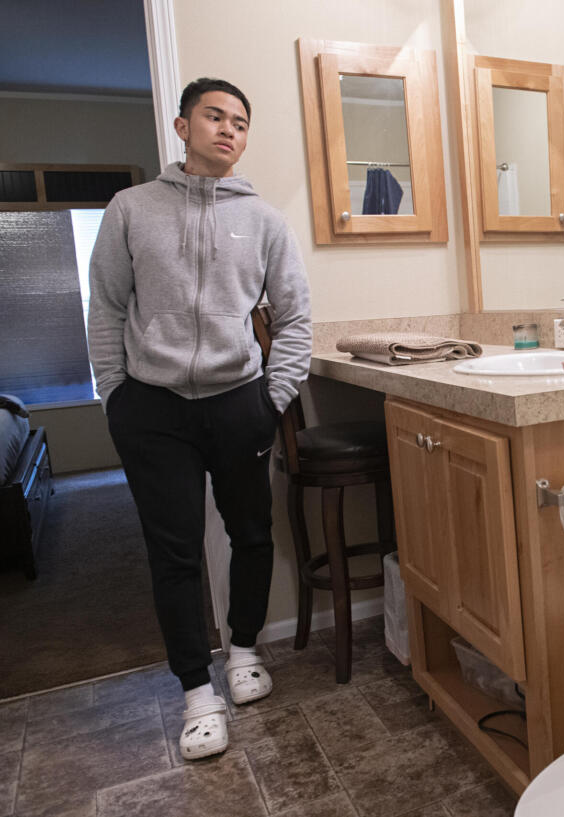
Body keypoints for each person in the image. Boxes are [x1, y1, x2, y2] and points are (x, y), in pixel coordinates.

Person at [87, 77, 311, 760]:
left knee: (250, 532)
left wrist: (273, 398)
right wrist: (115, 396)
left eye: (240, 122)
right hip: (152, 408)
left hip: (239, 400)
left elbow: (296, 317)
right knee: (175, 549)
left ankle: (243, 652)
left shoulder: (265, 221)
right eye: (215, 116)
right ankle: (195, 691)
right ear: (183, 127)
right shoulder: (130, 209)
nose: (228, 130)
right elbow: (105, 307)